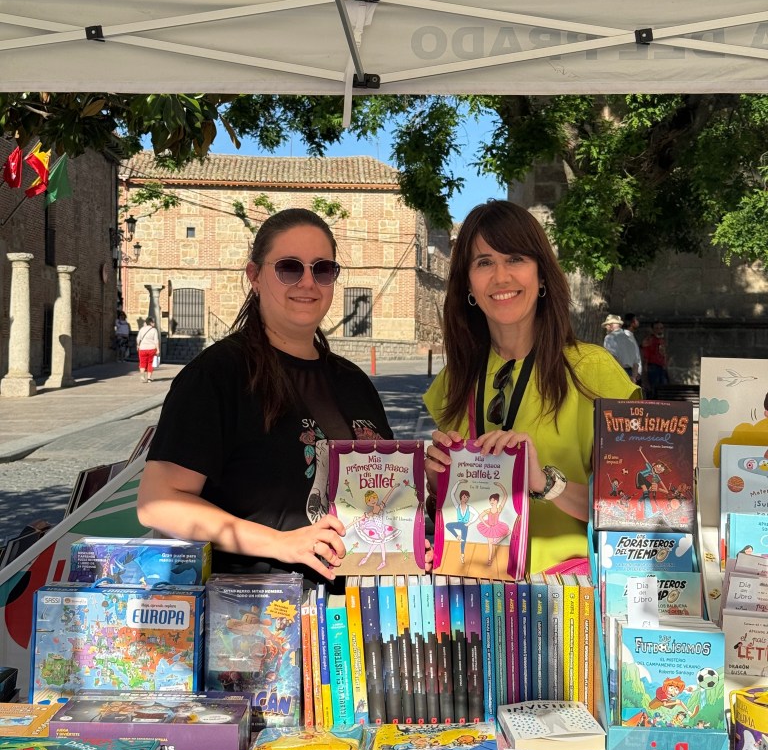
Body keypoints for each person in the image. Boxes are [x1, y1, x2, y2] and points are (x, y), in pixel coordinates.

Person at [137, 208, 398, 584]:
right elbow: (158, 503)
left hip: (352, 615)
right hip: (259, 619)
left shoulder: (353, 381)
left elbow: (381, 496)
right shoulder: (217, 375)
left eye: (322, 269)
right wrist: (281, 543)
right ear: (255, 276)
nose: (308, 282)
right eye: (289, 268)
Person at [423, 200, 639, 576]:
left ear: (541, 275)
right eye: (484, 262)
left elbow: (641, 515)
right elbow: (455, 508)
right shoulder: (453, 382)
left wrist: (544, 482)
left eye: (516, 258)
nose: (501, 277)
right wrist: (434, 484)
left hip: (567, 604)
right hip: (474, 598)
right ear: (468, 285)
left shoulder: (594, 372)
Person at [642, 319, 670, 397]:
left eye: (661, 328)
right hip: (653, 368)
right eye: (657, 328)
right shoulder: (649, 340)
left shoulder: (663, 340)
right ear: (653, 330)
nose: (659, 330)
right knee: (654, 392)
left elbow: (664, 355)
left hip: (662, 368)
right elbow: (645, 358)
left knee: (664, 392)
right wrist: (645, 376)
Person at [136, 316, 160, 382]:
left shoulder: (142, 329)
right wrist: (158, 349)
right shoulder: (154, 330)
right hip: (151, 349)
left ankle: (142, 376)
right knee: (150, 363)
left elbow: (138, 339)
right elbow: (156, 340)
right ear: (151, 323)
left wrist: (138, 345)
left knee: (142, 362)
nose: (154, 323)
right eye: (153, 322)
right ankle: (149, 378)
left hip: (142, 349)